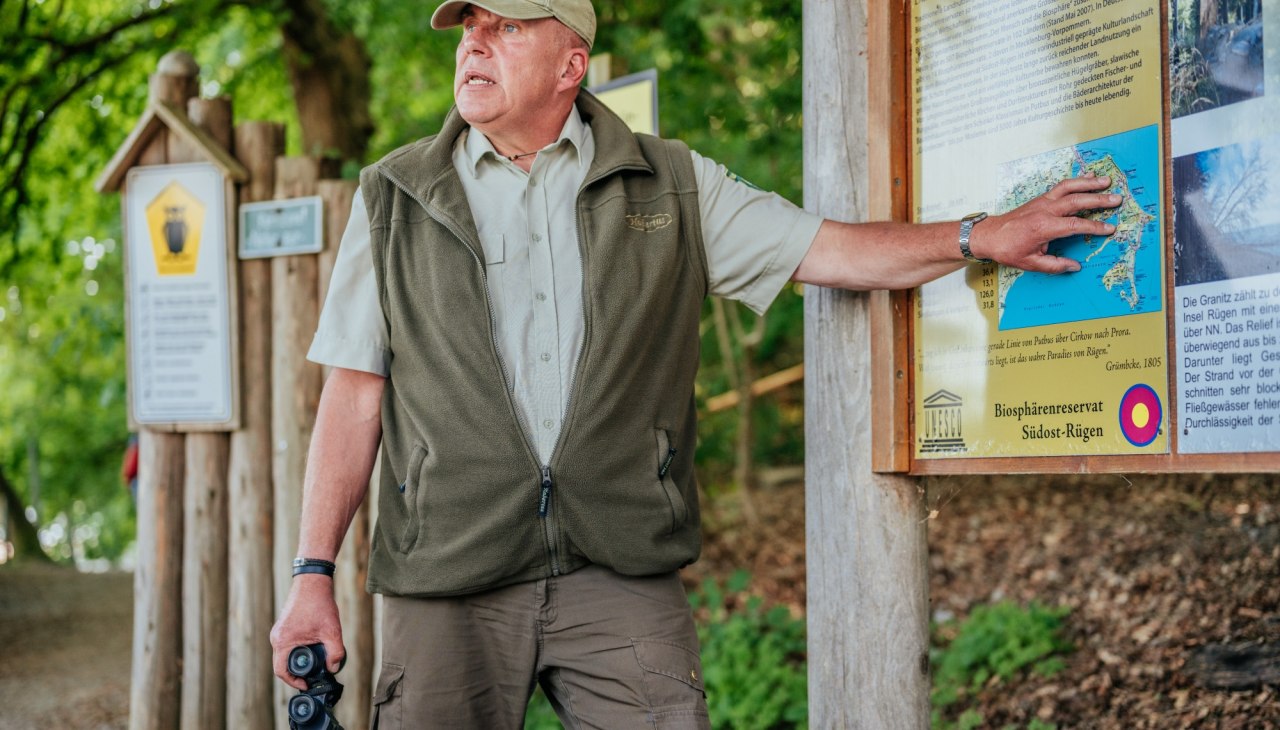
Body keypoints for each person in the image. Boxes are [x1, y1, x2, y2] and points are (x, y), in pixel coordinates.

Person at [270, 1, 1121, 727]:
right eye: (468, 27)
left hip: (622, 569)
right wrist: (313, 574)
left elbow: (837, 253)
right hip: (447, 578)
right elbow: (354, 394)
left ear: (573, 62)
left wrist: (978, 235)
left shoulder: (670, 183)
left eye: (507, 26)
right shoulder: (393, 196)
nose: (475, 43)